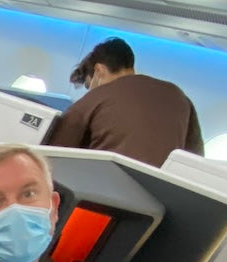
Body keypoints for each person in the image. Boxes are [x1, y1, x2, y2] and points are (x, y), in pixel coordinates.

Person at [46, 37, 204, 168]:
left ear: (99, 70)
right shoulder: (178, 95)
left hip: (102, 188)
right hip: (160, 196)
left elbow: (54, 154)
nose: (91, 92)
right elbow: (195, 158)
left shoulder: (95, 98)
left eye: (90, 86)